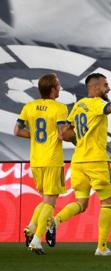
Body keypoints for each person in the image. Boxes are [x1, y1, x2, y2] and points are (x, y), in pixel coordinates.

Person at [47, 72, 111, 256]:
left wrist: (80, 140)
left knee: (81, 203)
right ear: (95, 87)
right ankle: (102, 247)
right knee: (107, 204)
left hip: (78, 161)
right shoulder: (97, 104)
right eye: (106, 85)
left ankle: (56, 220)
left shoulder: (78, 106)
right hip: (97, 161)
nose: (108, 88)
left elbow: (64, 133)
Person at [14, 73, 68, 254]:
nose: (59, 88)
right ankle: (36, 240)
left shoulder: (29, 106)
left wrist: (36, 136)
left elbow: (17, 131)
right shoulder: (59, 108)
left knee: (45, 199)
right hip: (52, 159)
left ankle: (30, 228)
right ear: (52, 88)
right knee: (50, 203)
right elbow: (61, 134)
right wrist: (74, 134)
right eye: (58, 85)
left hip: (36, 160)